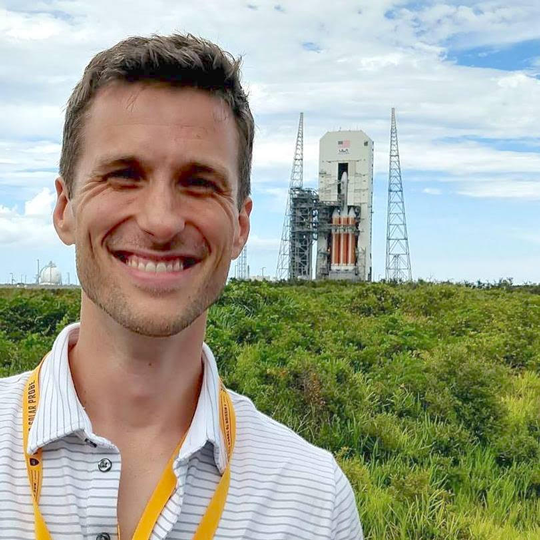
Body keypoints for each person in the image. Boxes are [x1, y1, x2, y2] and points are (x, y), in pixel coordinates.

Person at [0, 34, 363, 539]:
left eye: (199, 182)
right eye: (124, 174)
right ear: (64, 209)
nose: (161, 221)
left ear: (240, 226)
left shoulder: (313, 500)